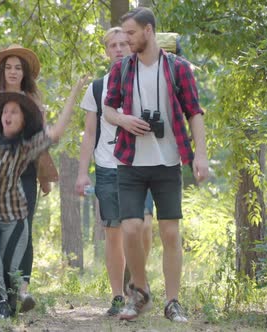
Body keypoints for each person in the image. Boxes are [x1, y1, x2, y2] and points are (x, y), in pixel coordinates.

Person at [103, 7, 209, 322]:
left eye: (131, 33)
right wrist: (123, 118)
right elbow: (109, 109)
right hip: (130, 161)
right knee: (131, 228)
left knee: (171, 233)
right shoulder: (122, 69)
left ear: (148, 31)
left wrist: (200, 154)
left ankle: (173, 301)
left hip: (167, 161)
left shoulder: (178, 68)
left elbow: (195, 113)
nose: (126, 40)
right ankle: (140, 292)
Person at [0, 77, 87, 319]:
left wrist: (74, 92)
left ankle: (11, 300)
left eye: (14, 112)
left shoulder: (26, 146)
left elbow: (56, 132)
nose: (7, 115)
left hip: (14, 216)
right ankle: (2, 302)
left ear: (24, 120)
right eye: (5, 111)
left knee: (9, 269)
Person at [0, 45, 57, 313]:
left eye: (19, 68)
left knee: (23, 229)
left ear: (24, 73)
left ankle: (22, 287)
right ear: (2, 71)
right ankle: (3, 291)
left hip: (25, 172)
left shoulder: (34, 102)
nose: (14, 72)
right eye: (9, 67)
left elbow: (40, 143)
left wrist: (44, 178)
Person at [75, 27, 154, 317]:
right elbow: (88, 133)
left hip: (141, 166)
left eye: (124, 44)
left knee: (144, 225)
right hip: (107, 168)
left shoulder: (146, 82)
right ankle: (119, 296)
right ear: (107, 51)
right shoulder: (97, 88)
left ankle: (138, 285)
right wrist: (83, 173)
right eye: (113, 45)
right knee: (114, 234)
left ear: (132, 47)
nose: (119, 49)